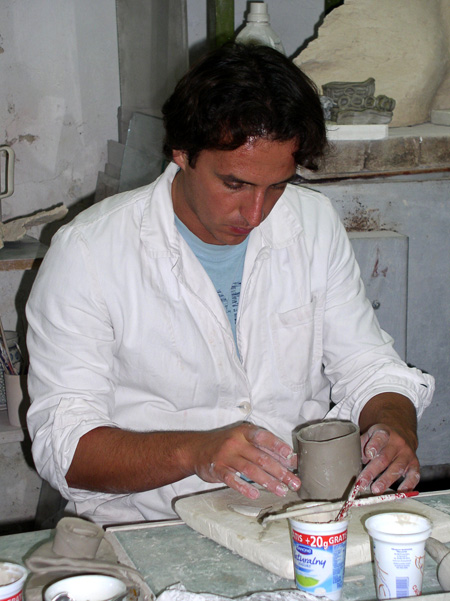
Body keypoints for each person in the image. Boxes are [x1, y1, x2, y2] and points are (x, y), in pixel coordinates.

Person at [26, 43, 434, 526]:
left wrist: (392, 426)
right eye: (235, 184)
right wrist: (196, 452)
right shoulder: (89, 253)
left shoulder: (312, 223)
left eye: (277, 186)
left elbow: (368, 366)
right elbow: (64, 446)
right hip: (147, 524)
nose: (256, 213)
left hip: (289, 515)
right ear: (182, 153)